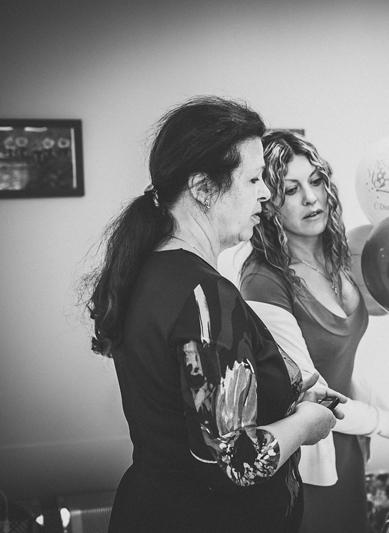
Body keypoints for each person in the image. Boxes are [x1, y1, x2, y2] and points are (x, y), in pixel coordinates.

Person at [83, 97, 346, 533]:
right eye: (254, 179)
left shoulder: (149, 270)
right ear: (204, 188)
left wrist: (288, 396)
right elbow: (235, 463)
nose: (266, 193)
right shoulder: (205, 295)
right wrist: (305, 424)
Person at [236, 130, 389, 533]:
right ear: (266, 202)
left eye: (316, 181)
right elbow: (311, 391)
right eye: (291, 189)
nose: (311, 198)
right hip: (306, 460)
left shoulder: (339, 256)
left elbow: (341, 366)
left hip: (349, 444)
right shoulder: (263, 282)